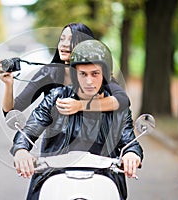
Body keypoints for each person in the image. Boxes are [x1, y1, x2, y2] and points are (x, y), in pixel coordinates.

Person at [10, 40, 143, 200]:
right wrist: (21, 151)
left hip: (104, 178)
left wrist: (131, 154)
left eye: (95, 74)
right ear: (74, 74)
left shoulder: (117, 109)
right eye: (83, 74)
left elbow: (130, 141)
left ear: (105, 75)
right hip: (56, 176)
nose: (89, 81)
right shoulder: (56, 98)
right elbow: (29, 130)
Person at [0, 23, 130, 117]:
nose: (64, 44)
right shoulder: (49, 72)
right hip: (54, 149)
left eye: (71, 40)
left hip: (93, 148)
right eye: (62, 39)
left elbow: (123, 101)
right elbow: (11, 111)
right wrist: (9, 85)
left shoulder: (97, 72)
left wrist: (79, 105)